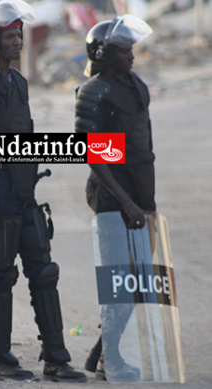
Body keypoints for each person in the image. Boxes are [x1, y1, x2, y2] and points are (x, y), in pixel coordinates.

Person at [0, 0, 85, 381]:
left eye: (18, 35)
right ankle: (0, 356)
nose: (17, 41)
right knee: (1, 276)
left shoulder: (20, 82)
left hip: (25, 192)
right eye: (9, 36)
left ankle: (56, 359)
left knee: (44, 273)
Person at [74, 15, 154, 382]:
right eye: (123, 50)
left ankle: (104, 350)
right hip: (112, 201)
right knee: (118, 284)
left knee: (138, 282)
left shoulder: (134, 85)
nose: (131, 55)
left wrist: (146, 203)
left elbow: (140, 148)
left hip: (140, 200)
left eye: (131, 48)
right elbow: (94, 155)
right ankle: (110, 360)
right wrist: (125, 203)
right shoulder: (94, 92)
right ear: (105, 54)